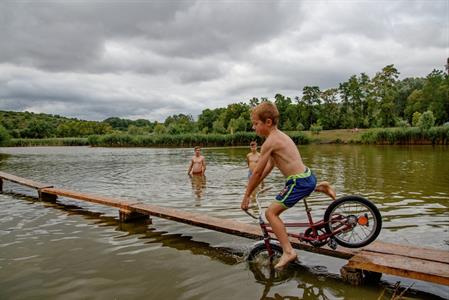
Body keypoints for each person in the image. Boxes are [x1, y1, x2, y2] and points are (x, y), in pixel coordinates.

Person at [241, 101, 336, 270]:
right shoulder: (279, 136)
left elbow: (256, 173)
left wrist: (247, 195)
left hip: (298, 182)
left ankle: (288, 251)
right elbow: (267, 168)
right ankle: (321, 186)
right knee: (289, 192)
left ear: (268, 122)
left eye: (256, 124)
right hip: (307, 176)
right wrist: (255, 186)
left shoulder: (270, 142)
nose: (253, 128)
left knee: (271, 213)